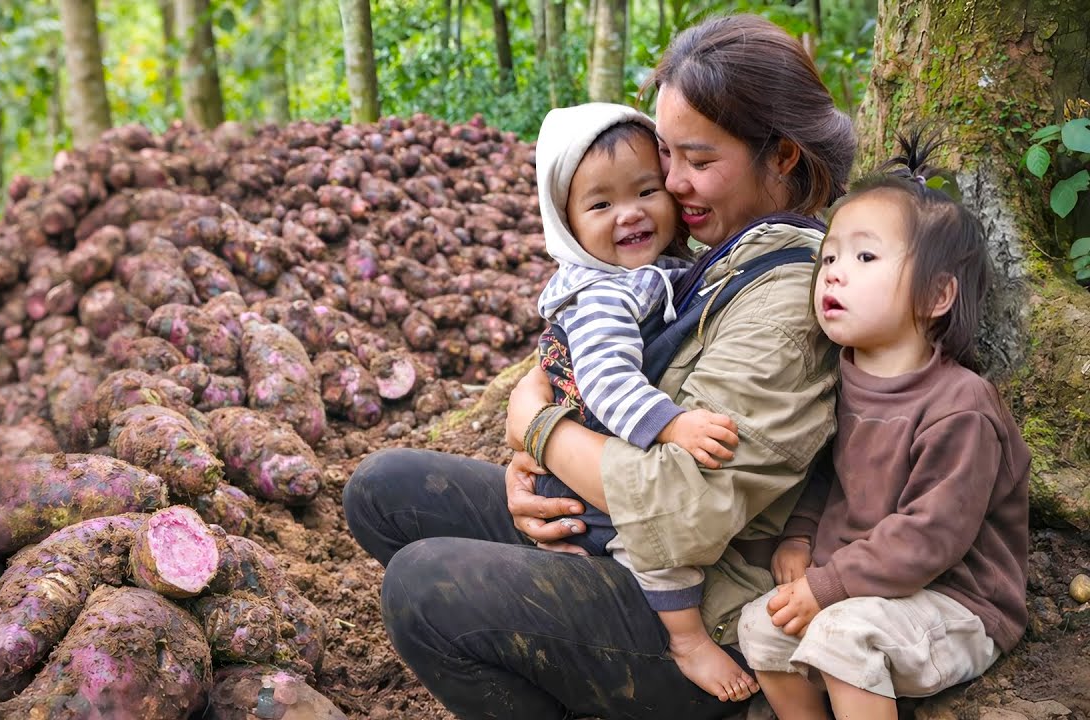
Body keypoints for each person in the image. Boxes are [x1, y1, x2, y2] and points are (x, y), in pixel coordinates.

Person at [343, 14, 855, 719]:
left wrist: (543, 430)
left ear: (785, 158)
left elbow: (684, 515)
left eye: (698, 162)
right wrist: (536, 457)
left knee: (424, 590)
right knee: (381, 487)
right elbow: (585, 351)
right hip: (614, 531)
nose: (672, 185)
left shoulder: (786, 305)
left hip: (702, 600)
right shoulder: (713, 246)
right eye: (666, 157)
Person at [737, 132, 1031, 720]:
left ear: (937, 295)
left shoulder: (961, 406)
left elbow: (931, 535)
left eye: (865, 257)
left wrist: (827, 584)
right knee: (760, 626)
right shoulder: (837, 377)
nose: (834, 275)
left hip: (958, 603)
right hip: (863, 589)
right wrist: (799, 535)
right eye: (830, 257)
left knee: (847, 634)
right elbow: (824, 475)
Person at [530, 101, 751, 699]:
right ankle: (687, 640)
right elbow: (604, 380)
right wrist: (670, 425)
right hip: (591, 469)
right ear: (568, 225)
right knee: (654, 542)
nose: (629, 214)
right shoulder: (604, 294)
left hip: (592, 450)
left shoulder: (651, 272)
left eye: (646, 190)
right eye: (600, 205)